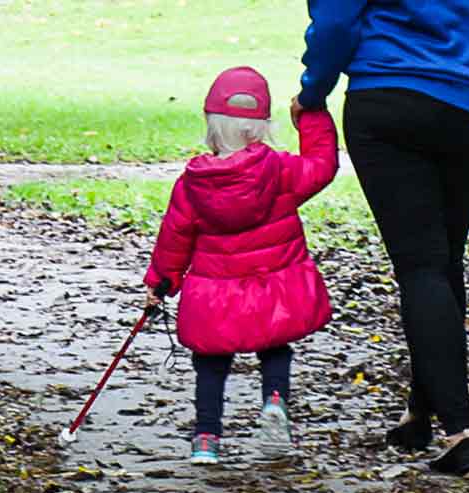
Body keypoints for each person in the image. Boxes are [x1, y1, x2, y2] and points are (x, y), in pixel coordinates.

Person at [296, 0, 469, 475]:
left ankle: (460, 432)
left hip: (388, 99)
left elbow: (336, 17)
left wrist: (314, 89)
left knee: (422, 266)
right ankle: (421, 414)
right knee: (442, 261)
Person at [143, 66, 338, 465]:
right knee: (275, 346)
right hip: (272, 288)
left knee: (210, 362)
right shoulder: (281, 171)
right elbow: (322, 165)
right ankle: (275, 402)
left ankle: (206, 437)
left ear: (211, 125)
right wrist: (311, 115)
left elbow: (174, 237)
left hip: (214, 294)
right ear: (262, 127)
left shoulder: (193, 183)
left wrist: (162, 282)